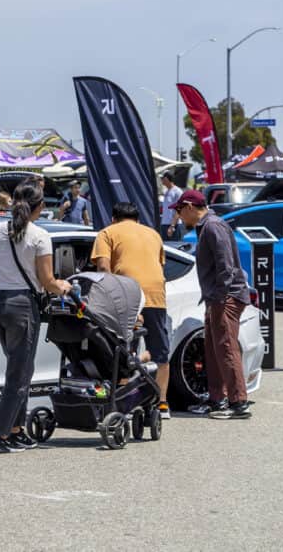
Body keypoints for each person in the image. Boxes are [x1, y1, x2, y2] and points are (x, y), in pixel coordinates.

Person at [0, 181, 72, 453]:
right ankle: (0, 437)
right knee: (19, 375)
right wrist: (64, 286)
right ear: (40, 207)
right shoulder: (39, 235)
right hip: (23, 305)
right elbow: (47, 281)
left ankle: (16, 429)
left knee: (19, 368)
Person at [174, 189, 252, 419]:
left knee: (226, 348)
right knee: (214, 349)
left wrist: (219, 296)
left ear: (189, 206)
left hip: (225, 297)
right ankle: (217, 399)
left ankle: (239, 403)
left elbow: (225, 265)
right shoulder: (208, 226)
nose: (178, 216)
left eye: (179, 210)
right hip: (217, 297)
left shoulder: (213, 226)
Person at [92, 202, 172, 418]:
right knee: (160, 351)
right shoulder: (153, 234)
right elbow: (159, 265)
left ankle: (124, 403)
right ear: (137, 218)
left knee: (121, 350)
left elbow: (102, 268)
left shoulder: (107, 233)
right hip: (156, 295)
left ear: (113, 218)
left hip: (127, 296)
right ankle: (162, 404)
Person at [159, 174, 183, 240]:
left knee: (174, 246)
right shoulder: (166, 191)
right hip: (164, 224)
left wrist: (172, 226)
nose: (161, 180)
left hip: (174, 225)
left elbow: (179, 209)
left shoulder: (177, 191)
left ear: (167, 179)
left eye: (162, 178)